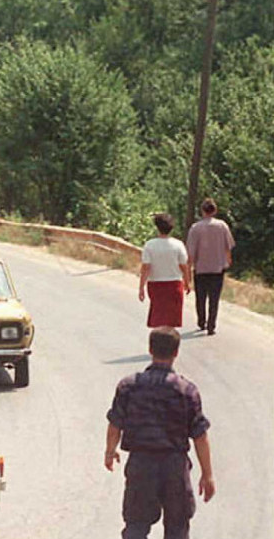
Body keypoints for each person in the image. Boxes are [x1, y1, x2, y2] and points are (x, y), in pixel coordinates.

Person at [105, 327, 215, 539]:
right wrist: (207, 474)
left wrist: (110, 451)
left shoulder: (129, 386)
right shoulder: (186, 390)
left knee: (136, 525)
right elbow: (200, 435)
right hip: (174, 467)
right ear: (176, 352)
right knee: (177, 527)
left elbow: (115, 423)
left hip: (141, 465)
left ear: (150, 349)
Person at [186, 198, 235, 335]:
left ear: (202, 211)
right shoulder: (222, 226)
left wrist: (188, 269)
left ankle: (202, 322)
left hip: (201, 268)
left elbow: (191, 251)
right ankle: (211, 325)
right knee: (214, 299)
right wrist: (228, 260)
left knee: (200, 298)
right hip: (217, 268)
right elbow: (228, 247)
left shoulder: (195, 228)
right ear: (215, 210)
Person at [139, 213, 191, 328]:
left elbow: (146, 268)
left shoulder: (150, 245)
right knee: (171, 321)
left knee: (158, 318)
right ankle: (170, 344)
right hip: (174, 285)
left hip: (155, 285)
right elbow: (184, 266)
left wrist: (141, 287)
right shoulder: (178, 245)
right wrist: (187, 282)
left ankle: (157, 343)